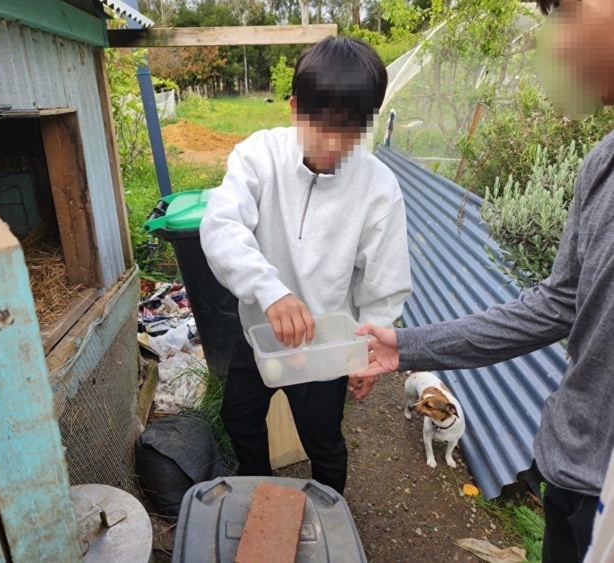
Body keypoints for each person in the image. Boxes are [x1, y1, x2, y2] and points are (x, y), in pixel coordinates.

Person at [354, 0, 614, 560]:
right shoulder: (602, 164)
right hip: (568, 471)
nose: (559, 45)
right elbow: (557, 302)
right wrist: (408, 345)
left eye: (566, 13)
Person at [199, 36, 413, 495]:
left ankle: (329, 508)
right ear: (296, 109)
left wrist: (369, 348)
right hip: (261, 333)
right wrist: (269, 290)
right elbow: (221, 225)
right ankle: (259, 487)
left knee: (324, 441)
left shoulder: (378, 187)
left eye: (353, 131)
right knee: (237, 415)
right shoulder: (258, 156)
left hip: (324, 350)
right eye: (325, 127)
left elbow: (384, 281)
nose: (336, 144)